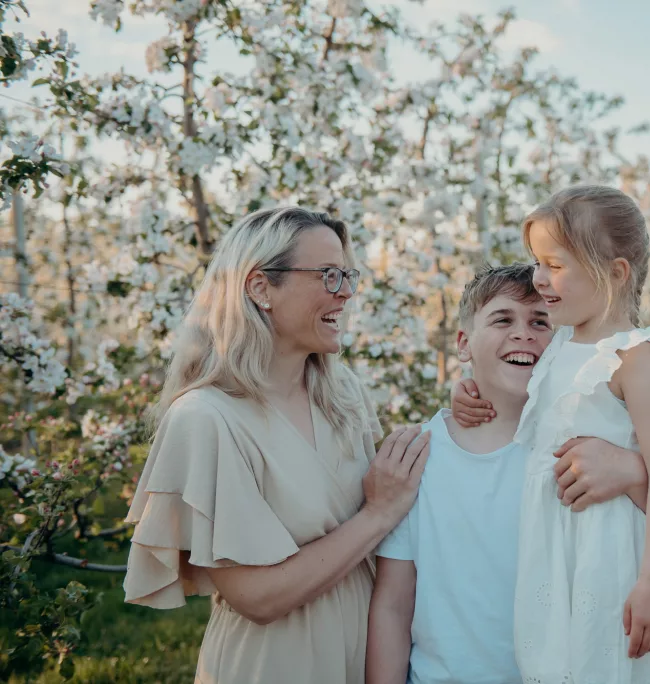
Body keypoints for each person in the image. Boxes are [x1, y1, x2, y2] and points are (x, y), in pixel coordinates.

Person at [122, 207, 430, 684]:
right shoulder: (205, 418)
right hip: (272, 664)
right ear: (261, 287)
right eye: (329, 275)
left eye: (348, 275)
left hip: (366, 656)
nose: (346, 292)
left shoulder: (343, 393)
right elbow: (258, 598)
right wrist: (379, 513)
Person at [366, 263, 650, 684]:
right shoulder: (417, 456)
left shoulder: (585, 446)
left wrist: (633, 473)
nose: (523, 333)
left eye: (541, 321)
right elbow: (393, 605)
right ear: (463, 343)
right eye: (502, 319)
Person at [470, 186, 650, 683]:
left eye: (556, 265)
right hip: (553, 554)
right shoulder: (561, 343)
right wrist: (469, 389)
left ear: (614, 273)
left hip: (607, 558)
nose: (540, 279)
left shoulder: (636, 360)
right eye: (537, 263)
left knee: (603, 663)